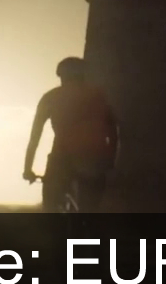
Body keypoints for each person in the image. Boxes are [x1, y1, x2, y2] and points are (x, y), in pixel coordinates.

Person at [22, 57, 119, 212]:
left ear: (61, 75)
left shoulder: (51, 97)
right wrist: (110, 161)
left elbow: (35, 137)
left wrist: (28, 169)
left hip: (62, 156)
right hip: (95, 158)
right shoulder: (98, 96)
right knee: (90, 209)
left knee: (51, 205)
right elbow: (113, 131)